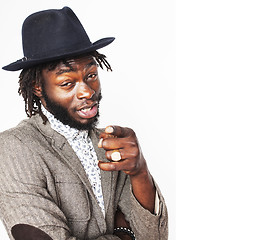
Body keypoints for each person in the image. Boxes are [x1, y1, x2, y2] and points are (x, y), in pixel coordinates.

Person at [0, 7, 168, 240]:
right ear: (38, 87)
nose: (88, 92)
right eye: (68, 83)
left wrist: (139, 171)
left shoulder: (110, 145)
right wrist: (122, 234)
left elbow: (155, 237)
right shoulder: (13, 148)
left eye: (91, 75)